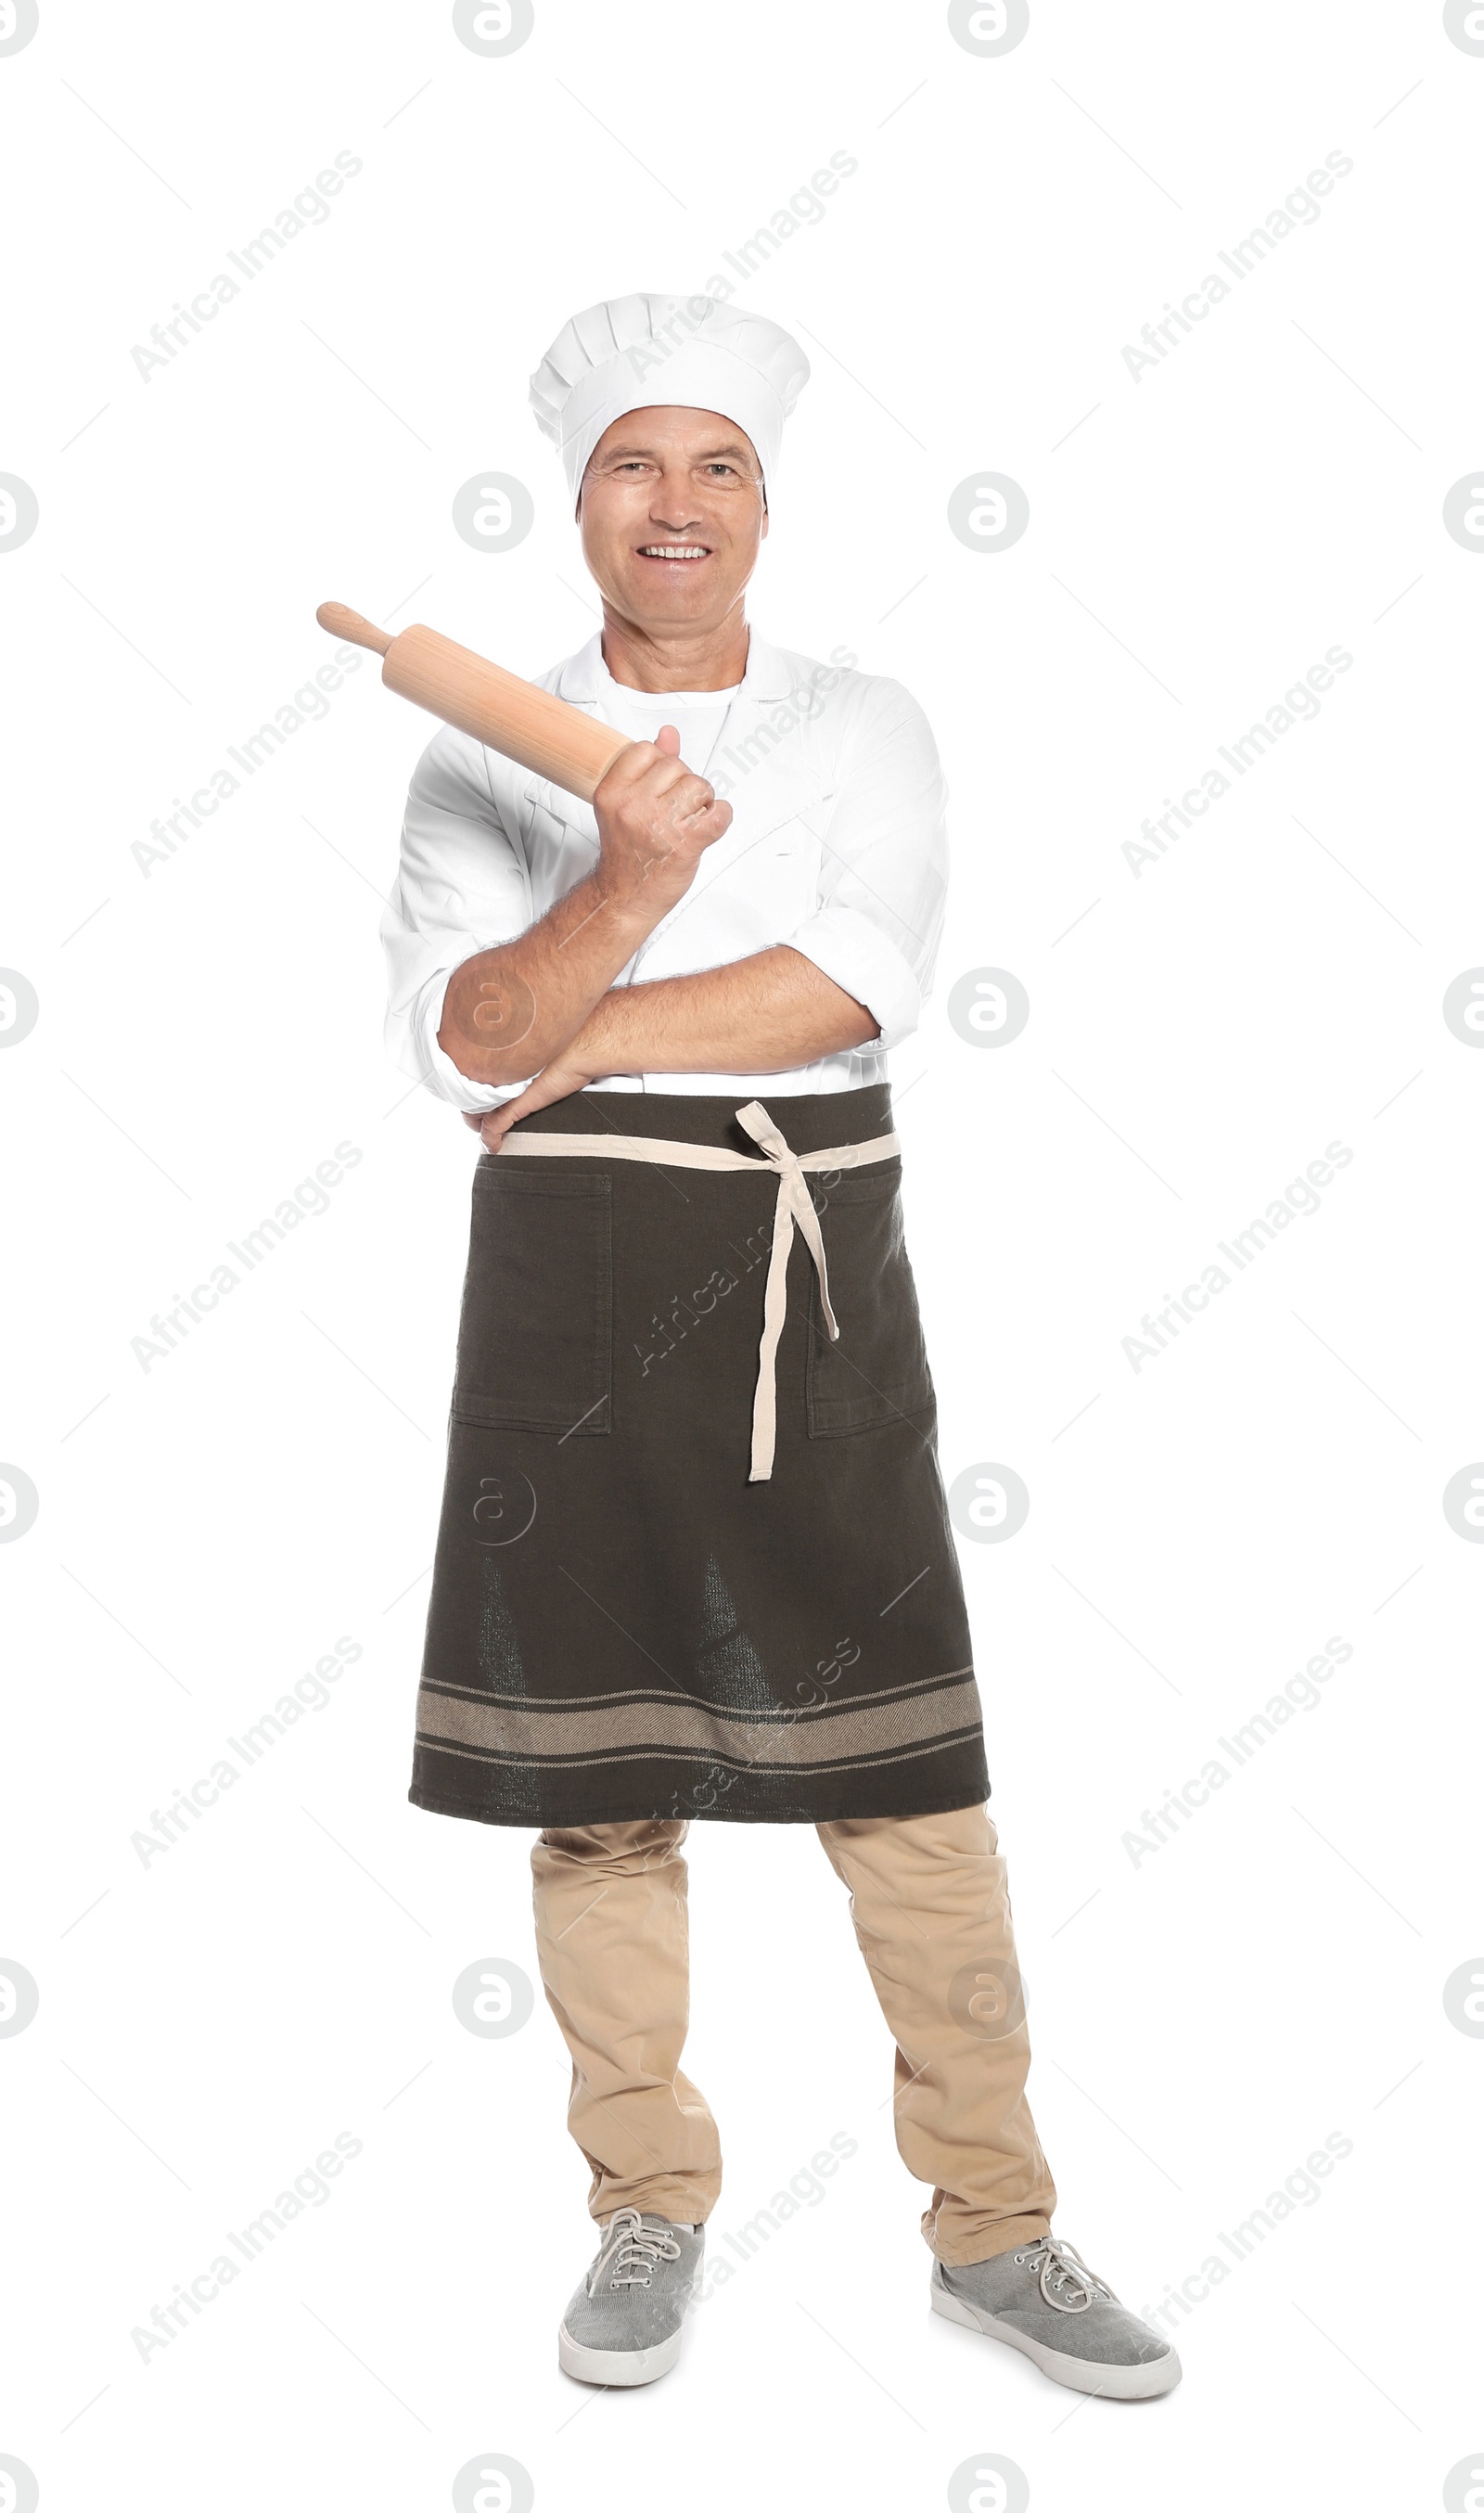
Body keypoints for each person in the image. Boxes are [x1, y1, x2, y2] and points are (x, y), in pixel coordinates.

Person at [380, 291, 1180, 2403]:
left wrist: (581, 1000)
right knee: (597, 1783)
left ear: (761, 504)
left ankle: (992, 2224)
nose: (676, 503)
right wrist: (629, 884)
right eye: (636, 463)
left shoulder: (862, 719)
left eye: (714, 464)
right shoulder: (477, 739)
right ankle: (643, 2201)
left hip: (810, 1285)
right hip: (560, 1297)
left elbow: (851, 982)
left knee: (908, 1775)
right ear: (577, 502)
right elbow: (459, 1049)